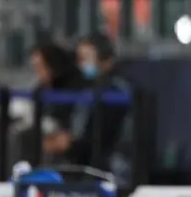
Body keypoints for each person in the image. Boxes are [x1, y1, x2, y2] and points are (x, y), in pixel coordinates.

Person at [43, 33, 131, 172]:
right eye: (80, 59)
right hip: (84, 160)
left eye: (87, 58)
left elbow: (104, 136)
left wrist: (70, 144)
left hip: (109, 164)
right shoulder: (87, 90)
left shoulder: (115, 92)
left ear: (106, 60)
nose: (82, 64)